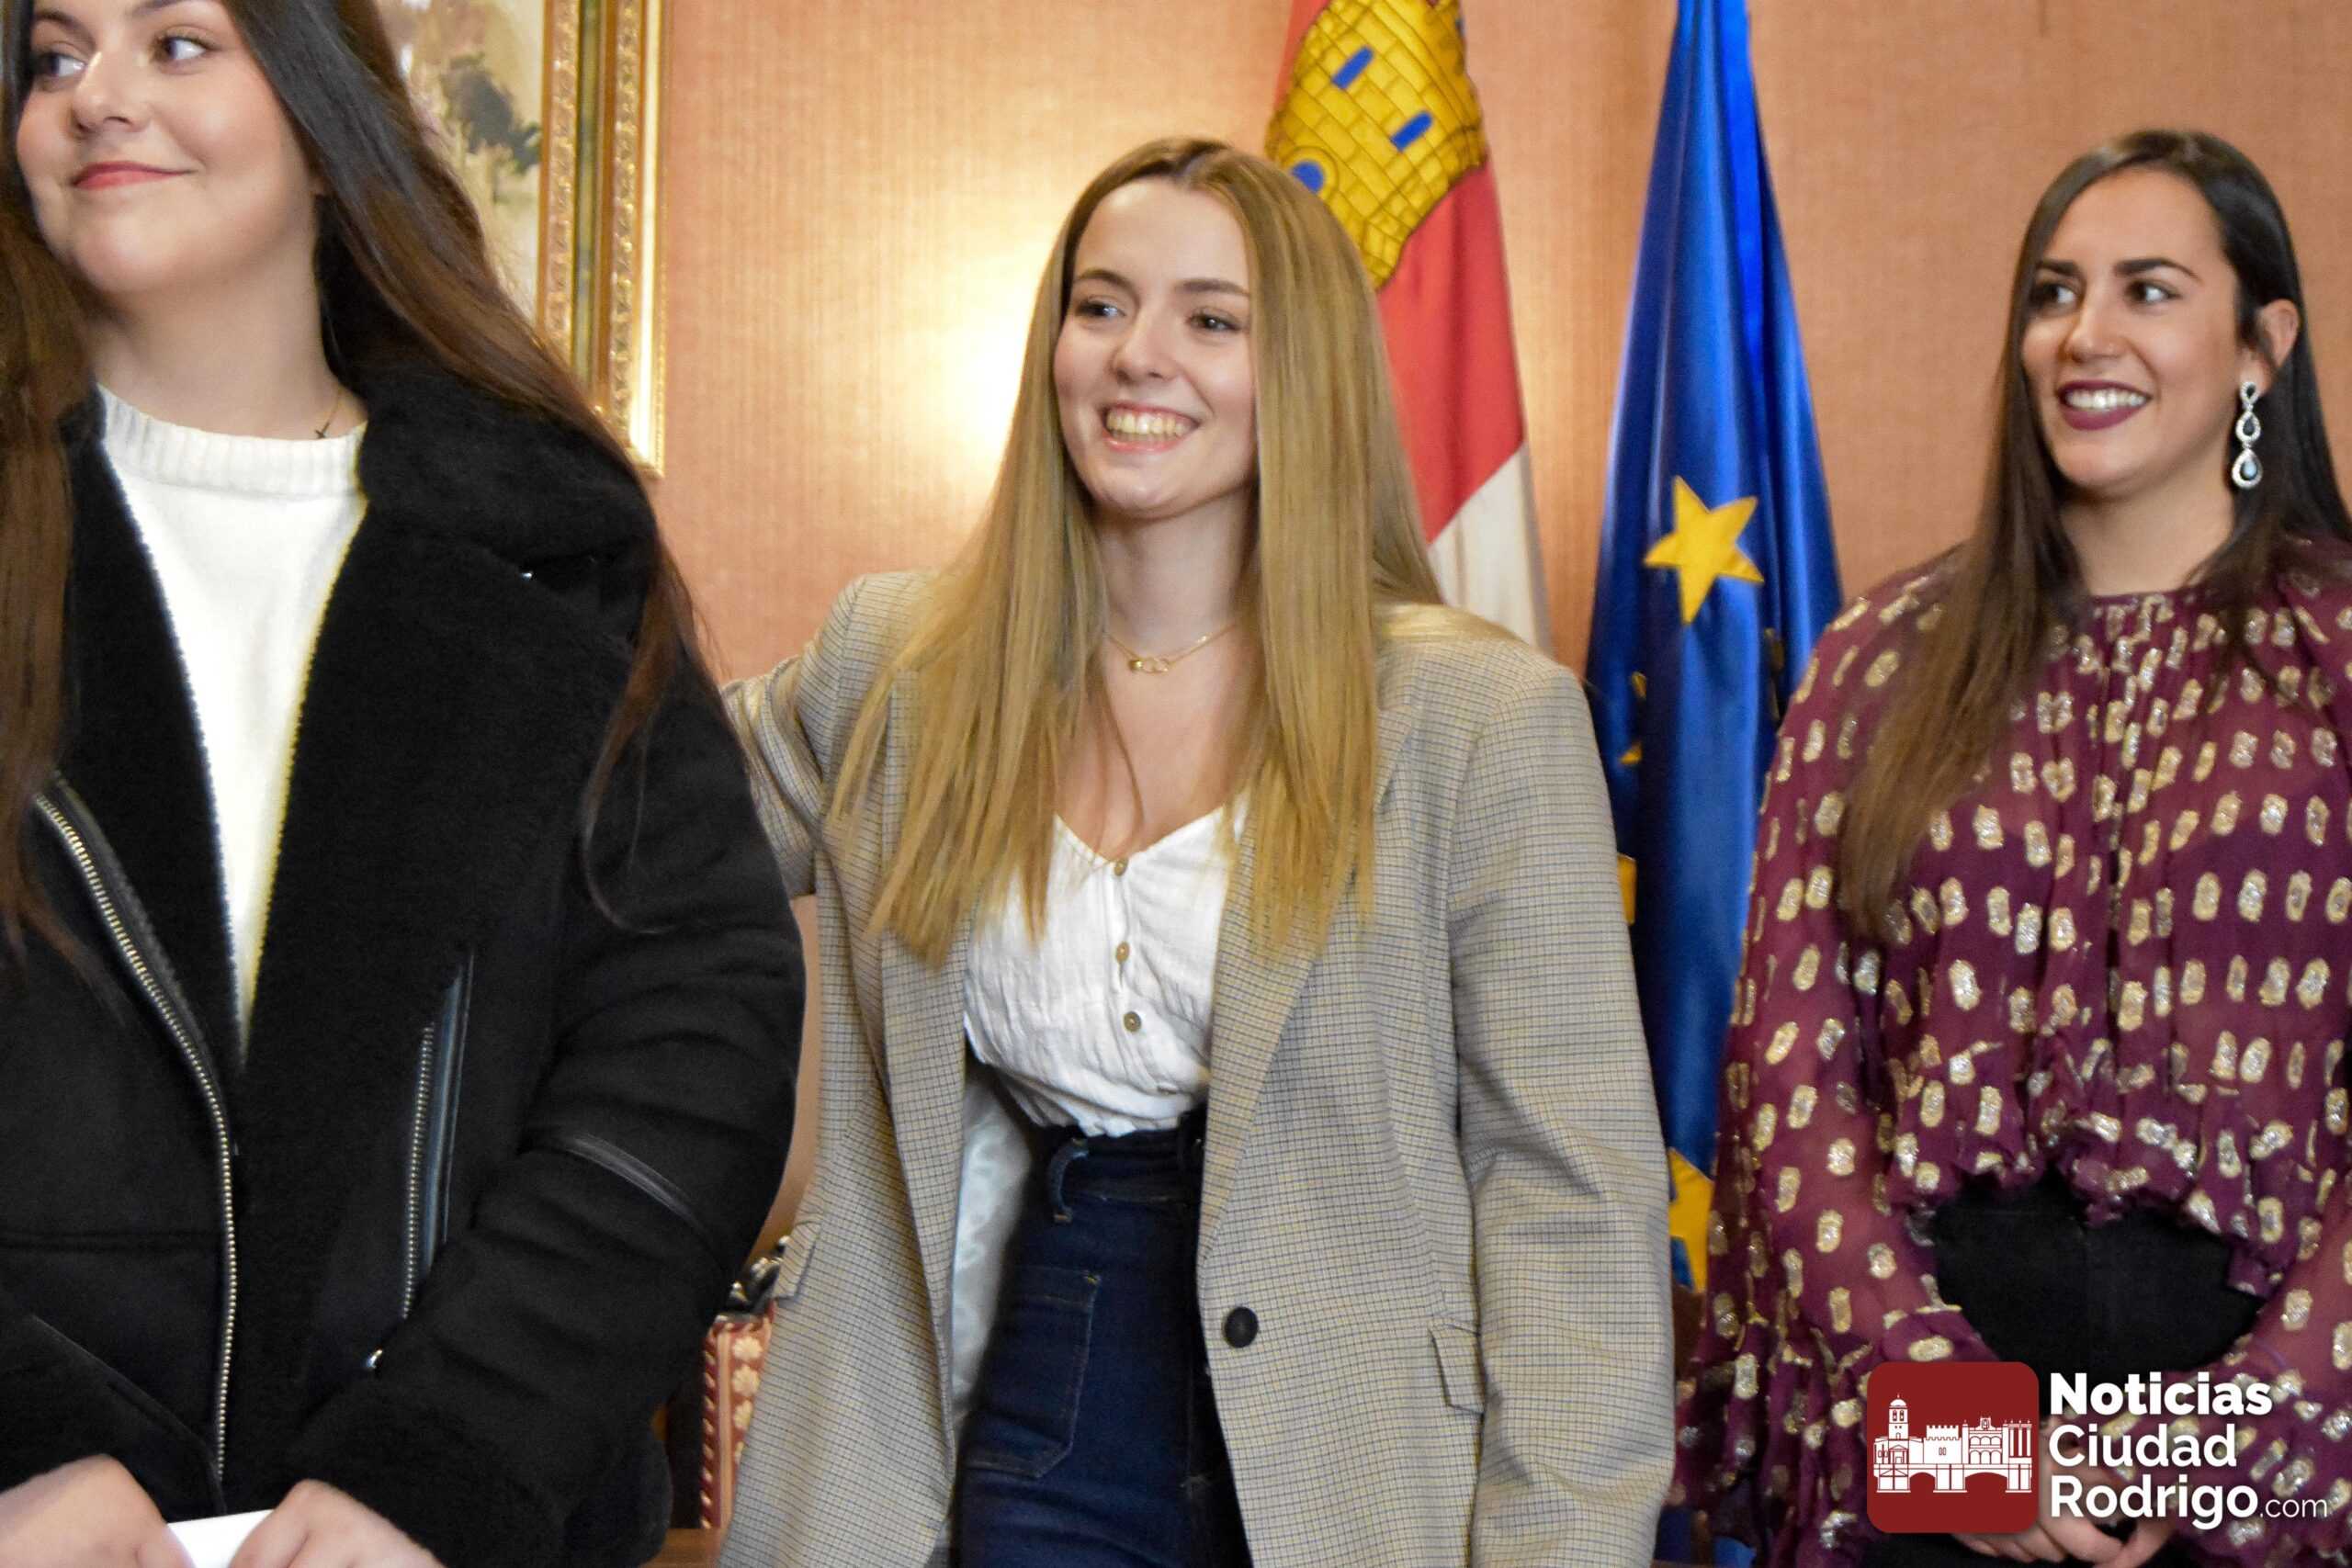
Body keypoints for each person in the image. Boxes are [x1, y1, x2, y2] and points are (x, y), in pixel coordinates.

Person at [716, 136, 1670, 1568]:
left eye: (1211, 320)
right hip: (1030, 1385)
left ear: (1305, 375)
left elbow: (1571, 1203)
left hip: (1359, 1465)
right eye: (1100, 305)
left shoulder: (1479, 719)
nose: (1137, 355)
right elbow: (633, 835)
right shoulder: (897, 664)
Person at [0, 2, 802, 1565]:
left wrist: (442, 1463)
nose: (97, 97)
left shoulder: (555, 542)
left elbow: (691, 1051)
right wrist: (18, 1451)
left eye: (177, 43)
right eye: (54, 54)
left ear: (323, 116)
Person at [1675, 130, 2352, 1568]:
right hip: (1929, 1412)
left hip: (2283, 1450)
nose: (2084, 335)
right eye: (2054, 292)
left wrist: (2210, 1453)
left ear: (2263, 346)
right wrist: (1960, 1437)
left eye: (2149, 290)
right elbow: (1792, 1078)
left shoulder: (2340, 654)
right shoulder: (1882, 659)